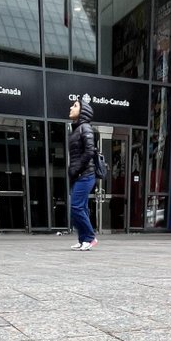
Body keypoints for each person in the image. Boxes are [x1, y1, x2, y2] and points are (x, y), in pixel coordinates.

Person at [66, 97, 98, 250]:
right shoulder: (78, 128)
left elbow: (89, 151)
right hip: (79, 175)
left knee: (76, 207)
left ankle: (90, 237)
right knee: (81, 208)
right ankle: (83, 239)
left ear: (83, 111)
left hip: (85, 175)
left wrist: (76, 169)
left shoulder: (85, 128)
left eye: (75, 105)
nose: (71, 108)